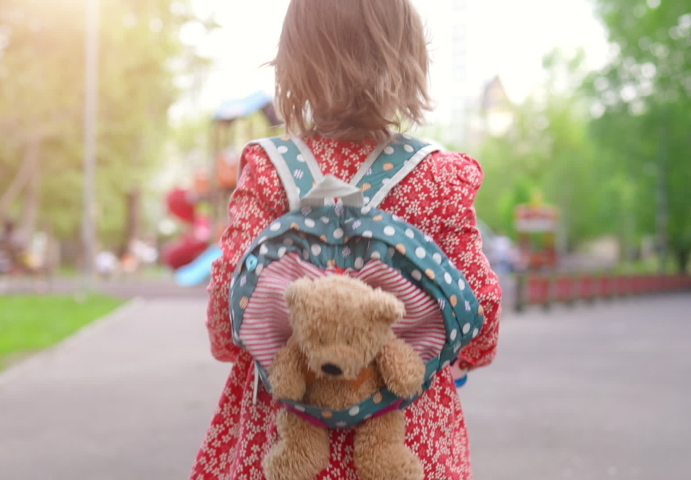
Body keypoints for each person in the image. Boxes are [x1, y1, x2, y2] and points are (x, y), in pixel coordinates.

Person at [190, 1, 502, 479]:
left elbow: (224, 321)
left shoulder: (270, 169)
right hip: (404, 441)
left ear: (294, 60)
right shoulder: (439, 177)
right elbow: (480, 319)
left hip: (285, 439)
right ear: (409, 56)